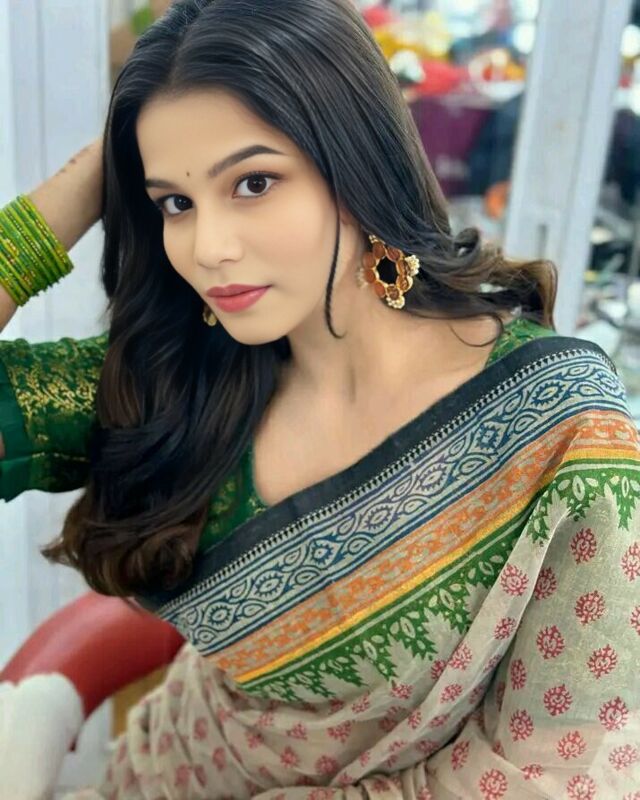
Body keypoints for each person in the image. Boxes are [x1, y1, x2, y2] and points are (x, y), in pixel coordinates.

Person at [1, 0, 638, 797]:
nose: (208, 248)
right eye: (175, 203)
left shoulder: (562, 425)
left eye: (253, 182)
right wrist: (90, 174)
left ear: (358, 163)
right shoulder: (172, 382)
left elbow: (565, 768)